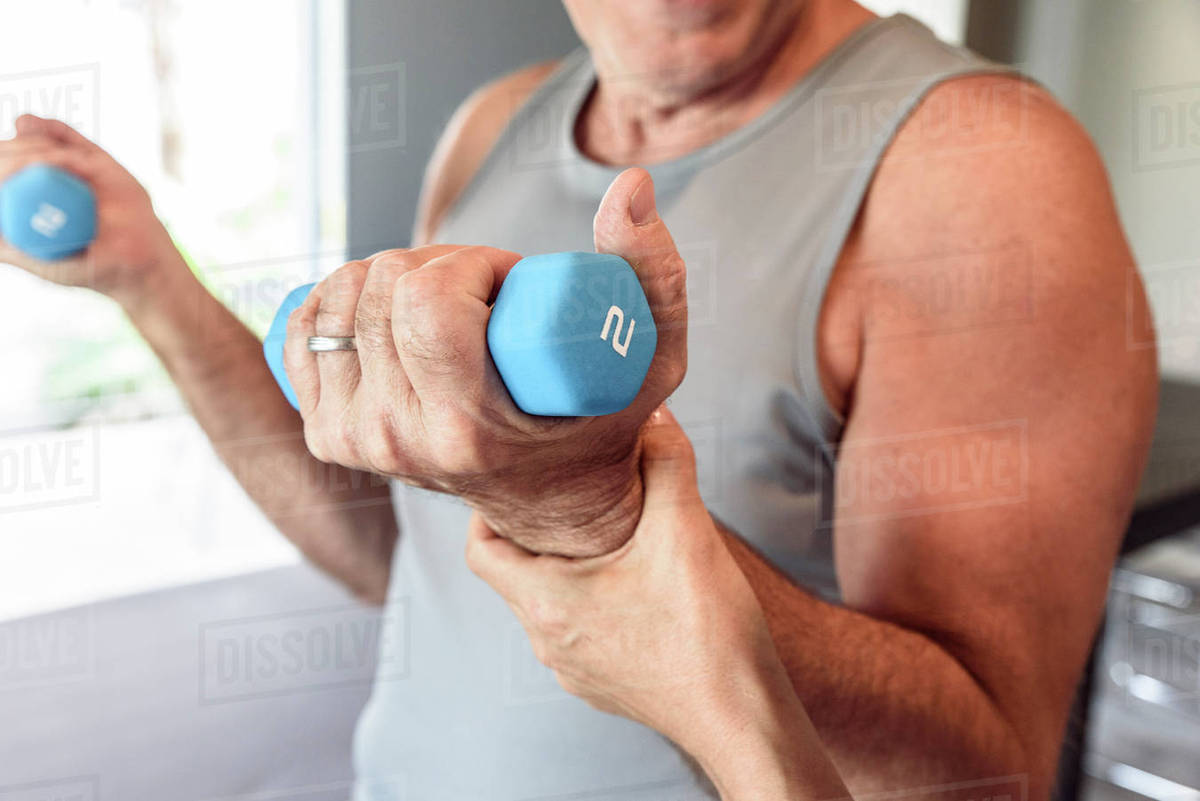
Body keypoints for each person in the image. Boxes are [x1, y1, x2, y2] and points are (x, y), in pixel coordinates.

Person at [0, 0, 1157, 799]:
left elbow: (980, 773)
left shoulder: (980, 167)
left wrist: (597, 519)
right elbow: (397, 550)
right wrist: (148, 281)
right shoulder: (491, 127)